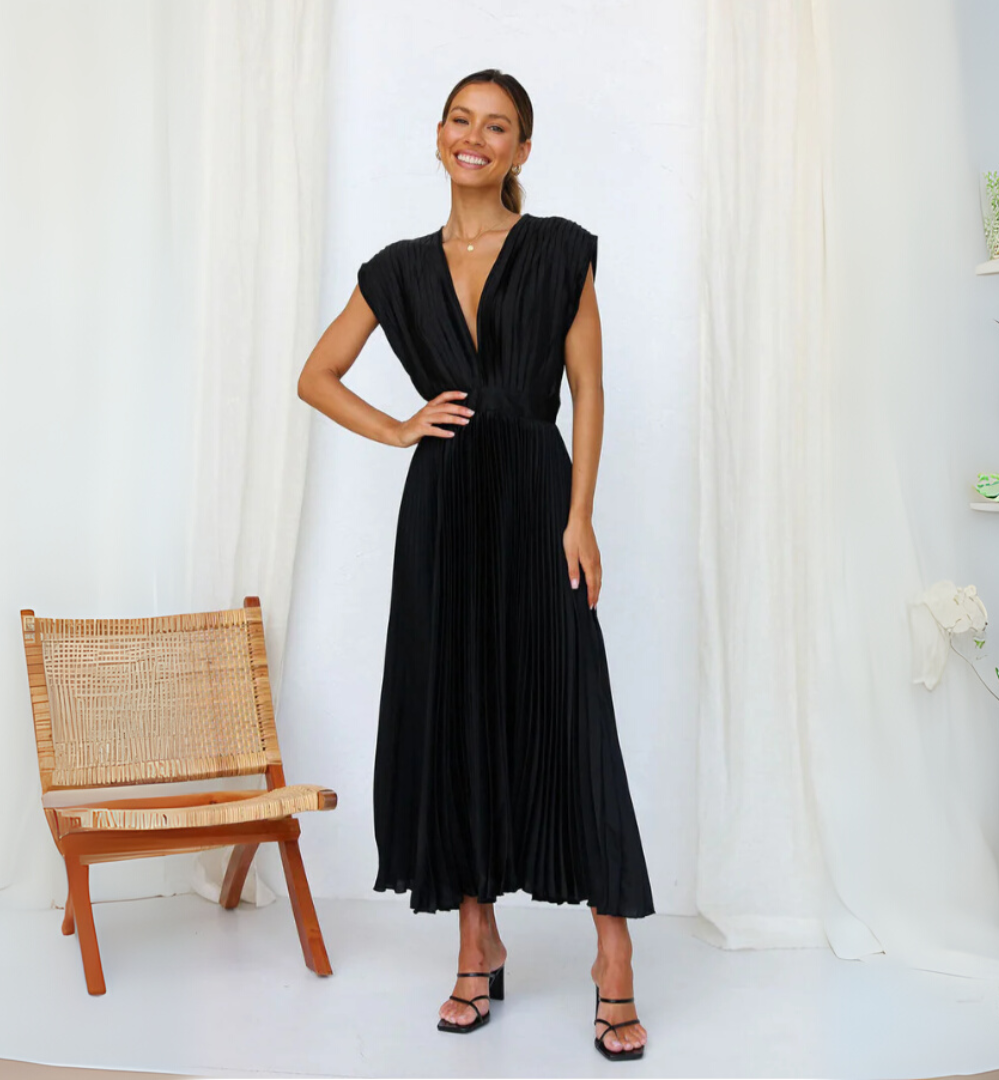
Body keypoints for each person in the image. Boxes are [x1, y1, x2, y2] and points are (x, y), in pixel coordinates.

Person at [298, 68, 654, 1059]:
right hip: (445, 510)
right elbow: (316, 376)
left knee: (570, 710)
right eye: (462, 119)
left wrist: (580, 516)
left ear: (521, 150)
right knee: (455, 710)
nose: (475, 136)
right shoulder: (397, 269)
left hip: (538, 498)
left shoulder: (559, 249)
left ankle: (613, 956)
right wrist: (398, 427)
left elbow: (588, 389)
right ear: (439, 133)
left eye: (497, 126)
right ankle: (476, 941)